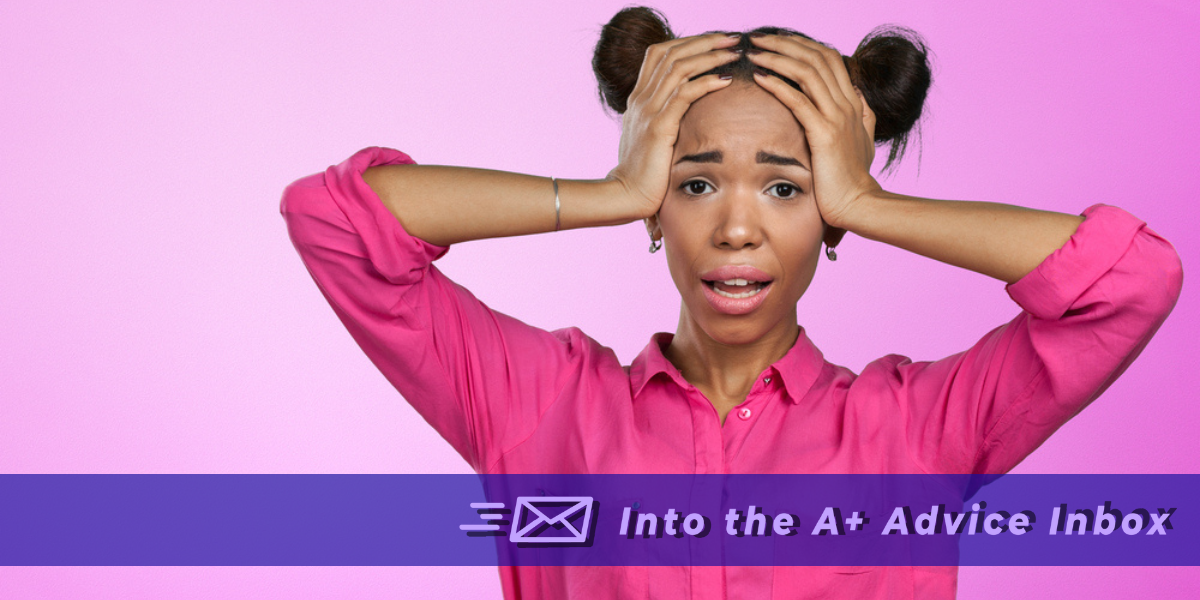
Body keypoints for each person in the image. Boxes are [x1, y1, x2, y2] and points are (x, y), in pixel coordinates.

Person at [279, 6, 1183, 599]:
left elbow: (1131, 281)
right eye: (696, 184)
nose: (738, 229)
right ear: (658, 210)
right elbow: (335, 217)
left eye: (788, 190)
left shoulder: (916, 431)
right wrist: (608, 189)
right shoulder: (539, 405)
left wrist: (869, 203)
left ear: (827, 219)